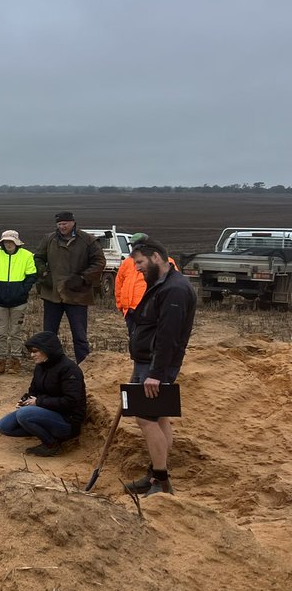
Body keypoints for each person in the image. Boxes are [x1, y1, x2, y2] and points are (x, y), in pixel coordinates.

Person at [123, 238, 196, 497]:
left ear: (156, 257)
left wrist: (156, 374)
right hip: (148, 361)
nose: (138, 268)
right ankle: (155, 473)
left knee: (146, 418)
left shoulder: (174, 290)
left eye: (140, 262)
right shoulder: (162, 284)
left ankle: (161, 481)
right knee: (160, 417)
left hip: (155, 366)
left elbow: (168, 335)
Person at [0, 331, 86, 456]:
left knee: (24, 415)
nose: (32, 355)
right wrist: (25, 401)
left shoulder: (69, 369)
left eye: (35, 351)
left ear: (47, 350)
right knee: (4, 426)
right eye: (31, 352)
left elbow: (71, 401)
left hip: (67, 421)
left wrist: (38, 402)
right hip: (46, 412)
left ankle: (51, 444)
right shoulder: (41, 366)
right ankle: (45, 432)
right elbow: (33, 390)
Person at [34, 211, 106, 363]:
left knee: (79, 336)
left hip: (77, 295)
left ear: (73, 222)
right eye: (59, 224)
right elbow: (38, 258)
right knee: (49, 334)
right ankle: (48, 364)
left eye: (65, 223)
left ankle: (83, 366)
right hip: (52, 294)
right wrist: (44, 273)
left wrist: (82, 278)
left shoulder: (88, 240)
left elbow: (99, 262)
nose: (62, 227)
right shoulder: (49, 239)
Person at [0, 229, 37, 375]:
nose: (8, 244)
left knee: (16, 332)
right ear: (2, 242)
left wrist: (22, 291)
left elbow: (31, 276)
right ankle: (0, 362)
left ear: (16, 242)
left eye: (11, 241)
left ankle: (15, 362)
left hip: (19, 301)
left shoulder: (26, 255)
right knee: (1, 333)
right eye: (6, 241)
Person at [115, 232, 179, 337]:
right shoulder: (127, 262)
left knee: (151, 341)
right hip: (130, 311)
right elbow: (119, 283)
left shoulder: (164, 262)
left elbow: (172, 285)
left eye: (136, 245)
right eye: (132, 245)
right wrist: (121, 306)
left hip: (149, 311)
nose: (133, 248)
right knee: (135, 341)